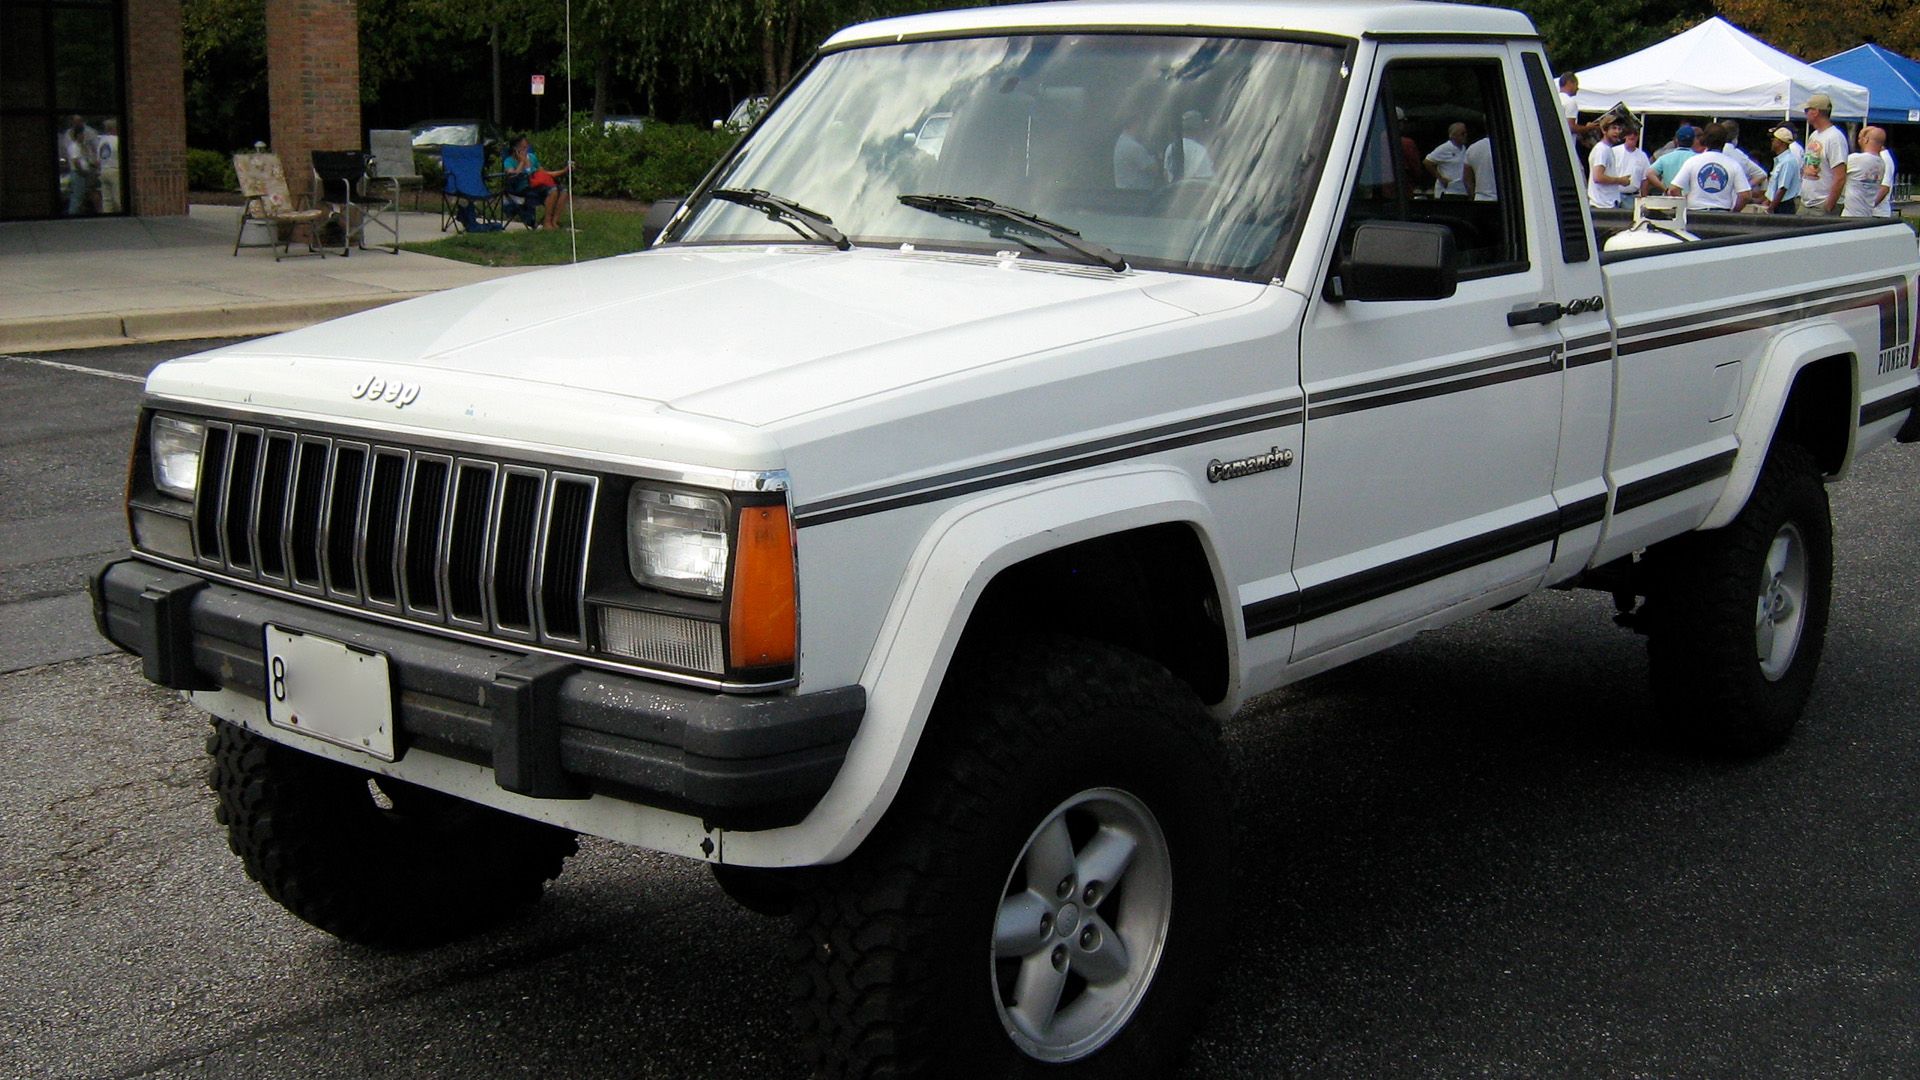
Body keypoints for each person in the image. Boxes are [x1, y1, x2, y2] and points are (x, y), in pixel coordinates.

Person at [1668, 122, 1750, 212]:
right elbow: (1745, 195)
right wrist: (1734, 212)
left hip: (1695, 214)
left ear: (1704, 140)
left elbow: (1673, 189)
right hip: (1723, 215)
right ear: (1724, 141)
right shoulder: (1733, 164)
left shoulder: (1693, 161)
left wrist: (1684, 208)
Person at [503, 134, 572, 229]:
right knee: (553, 190)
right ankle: (547, 222)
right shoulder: (509, 161)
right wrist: (522, 162)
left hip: (538, 185)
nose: (526, 149)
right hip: (523, 188)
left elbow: (544, 173)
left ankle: (554, 221)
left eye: (526, 146)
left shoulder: (532, 157)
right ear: (515, 149)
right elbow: (513, 175)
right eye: (523, 147)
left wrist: (564, 171)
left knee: (563, 191)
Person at [1798, 93, 1849, 216]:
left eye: (1807, 110)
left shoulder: (1835, 137)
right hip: (1806, 203)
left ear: (1815, 112)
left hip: (1821, 205)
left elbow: (1840, 176)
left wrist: (1829, 205)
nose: (1805, 114)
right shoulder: (1814, 135)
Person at [1842, 127, 1888, 218]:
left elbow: (1836, 173)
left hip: (1851, 214)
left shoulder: (1855, 159)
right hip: (1867, 213)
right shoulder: (1881, 164)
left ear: (1866, 140)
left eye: (1860, 138)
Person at [60, 115, 99, 216]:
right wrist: (82, 171)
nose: (83, 137)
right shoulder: (74, 146)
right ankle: (72, 214)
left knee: (86, 193)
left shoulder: (84, 144)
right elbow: (75, 160)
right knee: (77, 196)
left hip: (86, 171)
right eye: (81, 135)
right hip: (79, 173)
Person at [1586, 118, 1630, 209]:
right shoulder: (1602, 150)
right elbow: (1598, 177)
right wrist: (1620, 180)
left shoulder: (1607, 149)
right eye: (1614, 128)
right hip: (1602, 204)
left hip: (1608, 202)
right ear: (1604, 130)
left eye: (1619, 129)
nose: (1617, 132)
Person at [1644, 124, 1697, 196]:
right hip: (1690, 199)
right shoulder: (1698, 158)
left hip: (1669, 198)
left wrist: (1665, 189)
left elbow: (1649, 173)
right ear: (1694, 140)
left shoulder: (1665, 158)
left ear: (1676, 140)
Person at [1113, 116, 1162, 191]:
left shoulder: (1120, 142)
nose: (1142, 128)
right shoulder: (1134, 147)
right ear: (1134, 125)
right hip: (1137, 194)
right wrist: (1159, 157)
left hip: (1123, 192)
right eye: (1141, 124)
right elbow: (1154, 169)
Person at [1163, 110, 1214, 181]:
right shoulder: (1200, 150)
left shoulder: (1171, 147)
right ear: (1198, 129)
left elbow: (1166, 173)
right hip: (1193, 190)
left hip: (1173, 190)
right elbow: (1206, 178)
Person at [1718, 120, 1769, 191]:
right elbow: (1761, 175)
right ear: (1736, 136)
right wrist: (1744, 188)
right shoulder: (1739, 155)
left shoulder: (1713, 151)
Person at [1764, 126, 1802, 214]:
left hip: (1783, 206)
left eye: (1774, 139)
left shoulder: (1787, 161)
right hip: (1778, 204)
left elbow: (1782, 188)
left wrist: (1771, 208)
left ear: (1781, 143)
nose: (1772, 142)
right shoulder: (1781, 160)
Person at [1424, 122, 1469, 197]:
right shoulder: (1445, 148)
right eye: (1462, 134)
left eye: (1466, 133)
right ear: (1453, 135)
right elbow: (1427, 162)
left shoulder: (1464, 149)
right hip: (1447, 191)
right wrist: (1440, 178)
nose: (1465, 136)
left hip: (1461, 191)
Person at [1559, 72, 1597, 148]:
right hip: (1568, 147)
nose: (1577, 88)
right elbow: (1571, 127)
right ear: (1570, 83)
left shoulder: (1555, 100)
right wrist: (1589, 128)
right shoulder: (1570, 102)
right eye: (1576, 84)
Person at [1617, 127, 1650, 209]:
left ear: (1638, 136)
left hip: (1633, 198)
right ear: (1624, 136)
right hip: (1614, 196)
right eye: (1629, 133)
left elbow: (1645, 180)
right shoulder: (1614, 151)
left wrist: (1644, 200)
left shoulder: (1643, 156)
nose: (1632, 136)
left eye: (1635, 134)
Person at [96, 118, 121, 214]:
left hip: (104, 170)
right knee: (118, 197)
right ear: (114, 128)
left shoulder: (102, 141)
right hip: (115, 170)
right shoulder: (117, 140)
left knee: (106, 199)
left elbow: (98, 159)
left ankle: (108, 215)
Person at [1869, 126, 1896, 217]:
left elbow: (1884, 188)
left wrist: (1869, 206)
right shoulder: (1877, 157)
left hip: (1878, 214)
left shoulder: (1884, 159)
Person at [1463, 133, 1496, 201]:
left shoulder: (1473, 148)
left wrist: (1472, 195)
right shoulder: (1513, 146)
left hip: (1481, 198)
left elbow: (1467, 179)